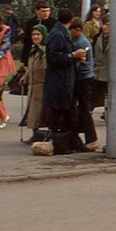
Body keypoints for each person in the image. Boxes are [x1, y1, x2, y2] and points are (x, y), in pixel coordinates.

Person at [42, 8, 83, 140]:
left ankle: (69, 140)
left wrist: (75, 57)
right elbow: (55, 57)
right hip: (60, 80)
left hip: (64, 79)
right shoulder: (58, 34)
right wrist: (73, 55)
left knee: (67, 112)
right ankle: (61, 140)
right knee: (61, 112)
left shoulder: (60, 32)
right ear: (71, 20)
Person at [68, 17, 99, 149]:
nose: (69, 32)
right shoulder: (75, 40)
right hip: (82, 77)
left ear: (78, 30)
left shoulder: (81, 43)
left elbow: (81, 63)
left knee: (84, 108)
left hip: (84, 78)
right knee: (80, 108)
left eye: (71, 29)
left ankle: (92, 138)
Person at [23, 24, 48, 134]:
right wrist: (26, 76)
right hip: (32, 84)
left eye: (38, 34)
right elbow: (31, 66)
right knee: (33, 111)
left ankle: (40, 132)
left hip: (42, 85)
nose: (35, 37)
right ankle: (35, 132)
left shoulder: (45, 50)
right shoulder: (34, 50)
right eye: (33, 34)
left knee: (40, 111)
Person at [92, 17, 110, 119]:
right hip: (98, 71)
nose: (105, 27)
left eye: (108, 24)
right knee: (94, 94)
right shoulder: (98, 38)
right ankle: (88, 113)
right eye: (104, 24)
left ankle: (108, 112)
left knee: (108, 95)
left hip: (109, 72)